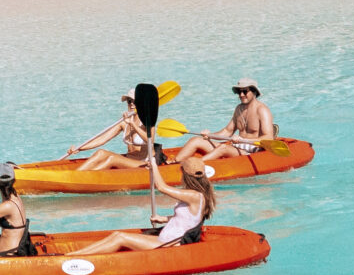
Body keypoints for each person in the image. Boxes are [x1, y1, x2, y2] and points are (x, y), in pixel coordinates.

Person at [70, 156, 218, 256]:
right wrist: (163, 218)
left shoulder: (195, 196)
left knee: (121, 238)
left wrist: (154, 165)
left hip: (171, 245)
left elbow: (161, 187)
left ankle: (76, 256)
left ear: (184, 174)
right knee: (116, 235)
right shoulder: (196, 195)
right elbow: (187, 219)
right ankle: (75, 255)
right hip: (165, 240)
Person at [175, 78, 276, 167]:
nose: (241, 95)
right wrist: (210, 135)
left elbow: (268, 138)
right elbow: (227, 131)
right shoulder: (239, 109)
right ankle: (172, 163)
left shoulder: (262, 110)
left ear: (254, 92)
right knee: (196, 140)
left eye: (245, 91)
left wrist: (242, 139)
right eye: (238, 92)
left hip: (251, 152)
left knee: (223, 147)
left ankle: (193, 166)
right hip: (236, 148)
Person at [67, 93, 157, 174]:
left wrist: (132, 124)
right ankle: (74, 175)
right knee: (100, 152)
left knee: (112, 159)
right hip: (129, 160)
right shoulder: (124, 122)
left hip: (144, 162)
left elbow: (150, 140)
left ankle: (84, 177)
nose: (132, 104)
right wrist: (80, 148)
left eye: (135, 101)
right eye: (129, 101)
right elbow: (103, 139)